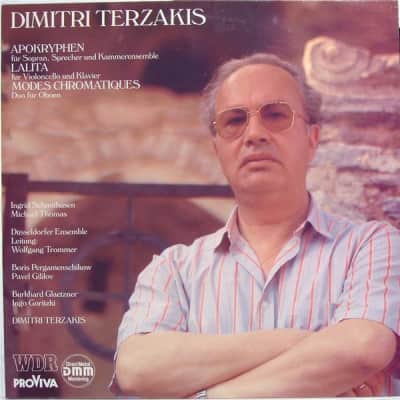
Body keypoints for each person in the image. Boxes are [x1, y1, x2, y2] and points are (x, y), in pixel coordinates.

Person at [111, 53, 400, 398]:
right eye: (235, 121)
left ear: (312, 138)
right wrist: (301, 342)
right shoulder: (174, 270)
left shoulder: (371, 245)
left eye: (275, 115)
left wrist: (212, 395)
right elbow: (136, 368)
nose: (254, 133)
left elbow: (363, 346)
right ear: (216, 148)